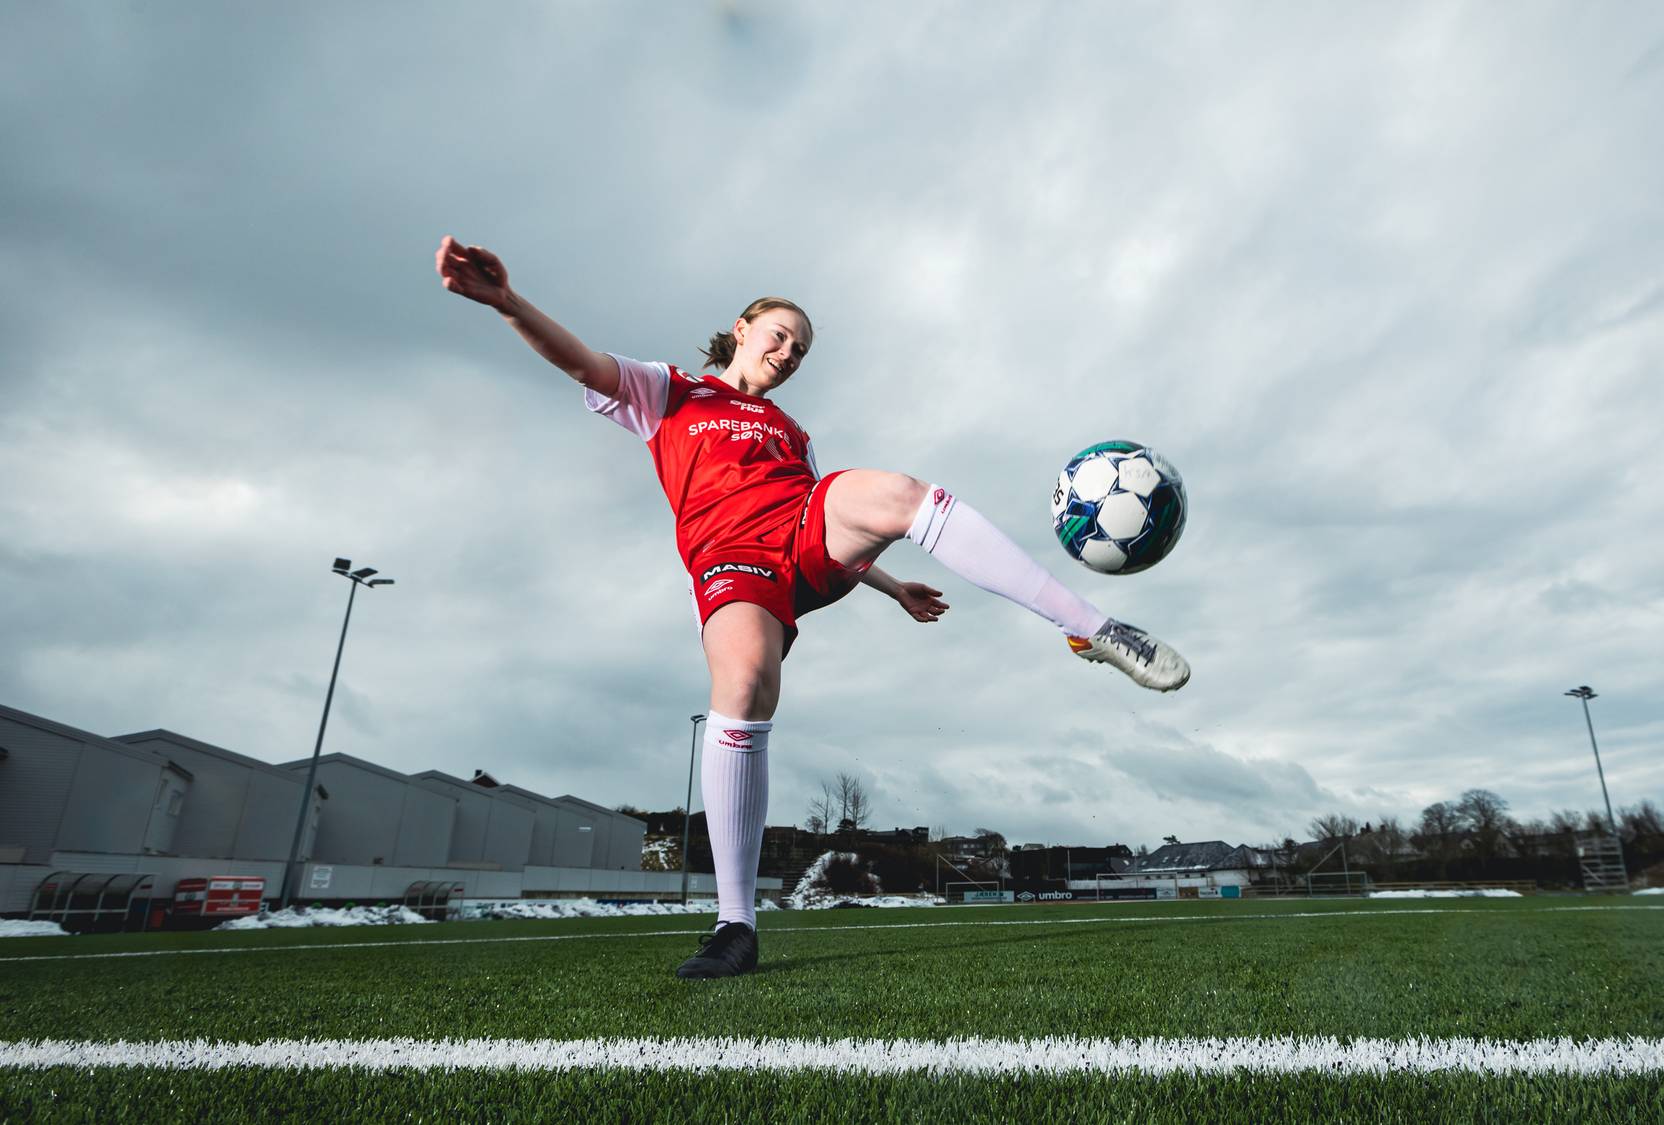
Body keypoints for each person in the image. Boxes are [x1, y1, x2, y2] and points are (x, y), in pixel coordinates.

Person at [435, 235, 1189, 978]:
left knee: (898, 493)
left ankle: (1091, 627)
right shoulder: (670, 392)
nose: (790, 352)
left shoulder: (793, 434)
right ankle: (736, 925)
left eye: (800, 348)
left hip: (801, 537)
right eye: (781, 335)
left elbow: (839, 524)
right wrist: (506, 303)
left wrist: (893, 586)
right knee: (745, 683)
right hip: (731, 561)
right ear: (742, 329)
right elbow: (580, 359)